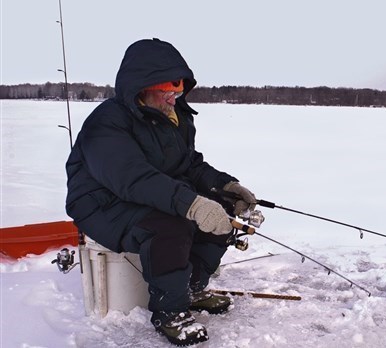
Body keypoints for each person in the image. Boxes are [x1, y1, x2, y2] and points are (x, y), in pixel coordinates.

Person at [65, 38, 256, 346]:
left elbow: (187, 165)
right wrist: (191, 205)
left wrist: (224, 186)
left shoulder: (174, 117)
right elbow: (131, 178)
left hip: (147, 194)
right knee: (172, 224)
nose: (174, 98)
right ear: (143, 86)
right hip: (102, 203)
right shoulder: (107, 122)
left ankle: (191, 287)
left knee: (220, 206)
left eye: (178, 91)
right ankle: (170, 312)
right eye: (168, 91)